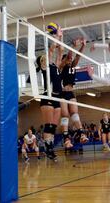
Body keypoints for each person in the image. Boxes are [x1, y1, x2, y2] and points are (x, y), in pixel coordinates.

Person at [36, 27, 64, 161]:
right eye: (43, 59)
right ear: (41, 62)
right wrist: (56, 37)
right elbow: (52, 50)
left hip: (57, 97)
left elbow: (60, 52)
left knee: (53, 126)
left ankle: (50, 147)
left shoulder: (55, 66)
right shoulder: (44, 66)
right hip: (48, 96)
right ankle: (48, 149)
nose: (45, 59)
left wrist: (61, 37)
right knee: (48, 125)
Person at [59, 38, 88, 152]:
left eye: (70, 59)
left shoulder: (72, 66)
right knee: (65, 115)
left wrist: (83, 46)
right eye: (68, 59)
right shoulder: (61, 67)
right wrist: (72, 45)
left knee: (75, 114)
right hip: (62, 93)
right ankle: (66, 139)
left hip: (71, 93)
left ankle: (81, 135)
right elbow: (69, 56)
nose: (70, 60)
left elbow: (78, 56)